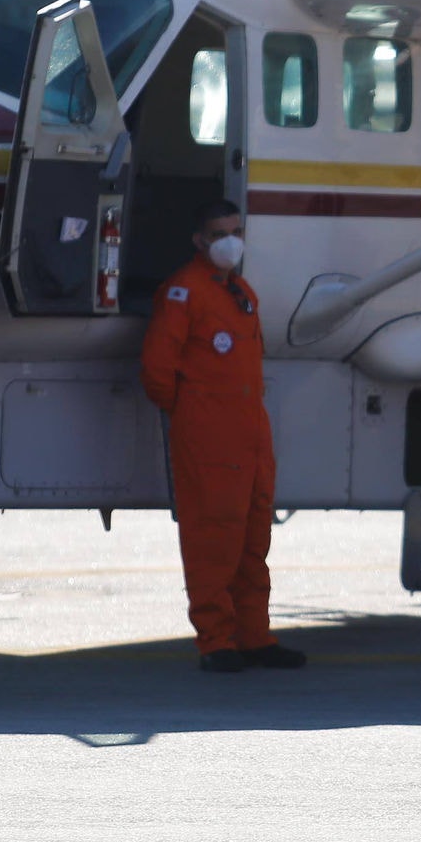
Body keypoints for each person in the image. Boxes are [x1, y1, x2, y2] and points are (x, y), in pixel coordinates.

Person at [141, 200, 305, 674]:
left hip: (250, 433)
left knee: (254, 540)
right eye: (219, 233)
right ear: (199, 241)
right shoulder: (184, 292)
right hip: (209, 435)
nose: (231, 240)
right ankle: (215, 640)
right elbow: (158, 370)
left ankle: (254, 635)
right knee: (214, 538)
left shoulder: (238, 291)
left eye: (236, 230)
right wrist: (195, 415)